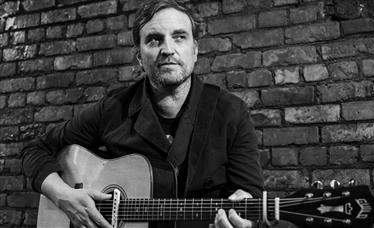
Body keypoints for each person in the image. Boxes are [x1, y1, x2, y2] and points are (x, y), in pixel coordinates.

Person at [20, 0, 268, 227]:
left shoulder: (231, 113)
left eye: (179, 37)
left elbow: (250, 199)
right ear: (140, 57)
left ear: (194, 50)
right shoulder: (114, 108)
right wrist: (64, 196)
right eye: (154, 39)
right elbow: (35, 150)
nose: (168, 49)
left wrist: (244, 217)